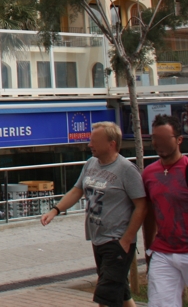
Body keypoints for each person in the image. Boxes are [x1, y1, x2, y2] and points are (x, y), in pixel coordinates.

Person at [41, 121, 146, 307]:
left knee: (104, 296)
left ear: (111, 144)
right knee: (121, 291)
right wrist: (55, 210)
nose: (89, 145)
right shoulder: (91, 164)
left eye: (94, 141)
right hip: (98, 240)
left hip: (116, 241)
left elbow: (142, 206)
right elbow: (77, 190)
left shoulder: (126, 170)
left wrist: (126, 240)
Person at [141, 114, 188, 307]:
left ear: (179, 140)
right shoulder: (149, 173)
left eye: (163, 138)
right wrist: (149, 249)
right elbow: (148, 214)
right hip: (163, 252)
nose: (158, 143)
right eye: (155, 138)